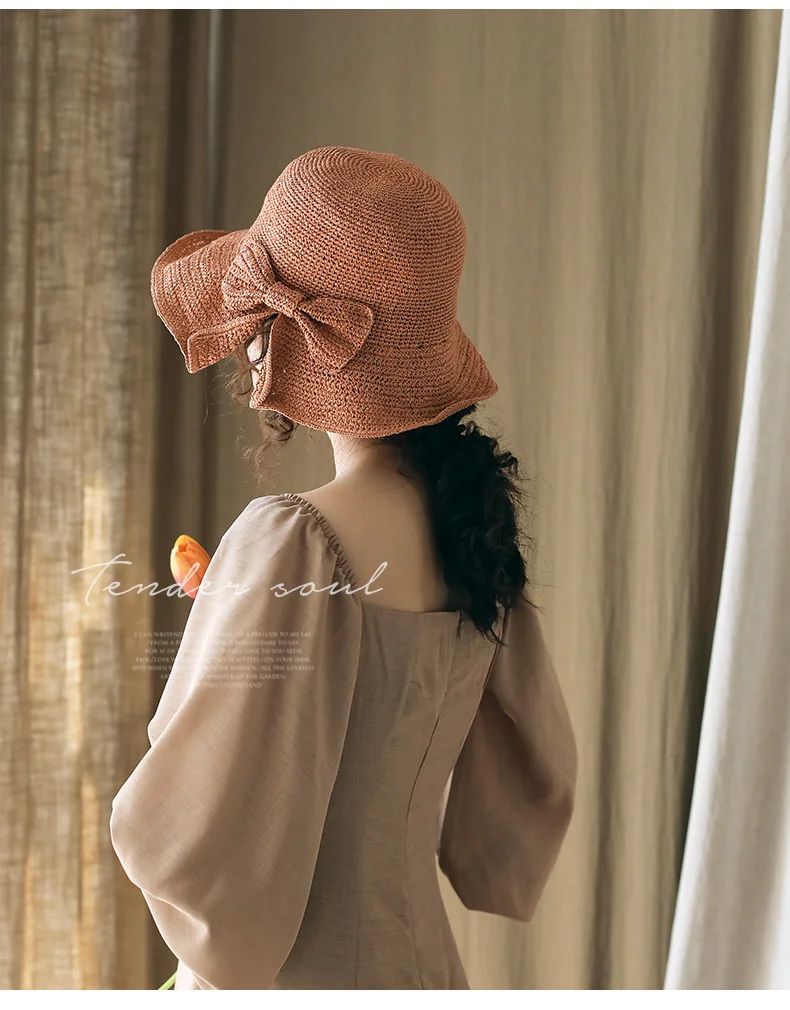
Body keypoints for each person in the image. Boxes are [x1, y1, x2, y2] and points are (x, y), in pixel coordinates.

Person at [109, 146, 578, 990]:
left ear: (274, 337)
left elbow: (190, 823)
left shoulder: (294, 537)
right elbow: (529, 767)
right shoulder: (474, 530)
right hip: (424, 968)